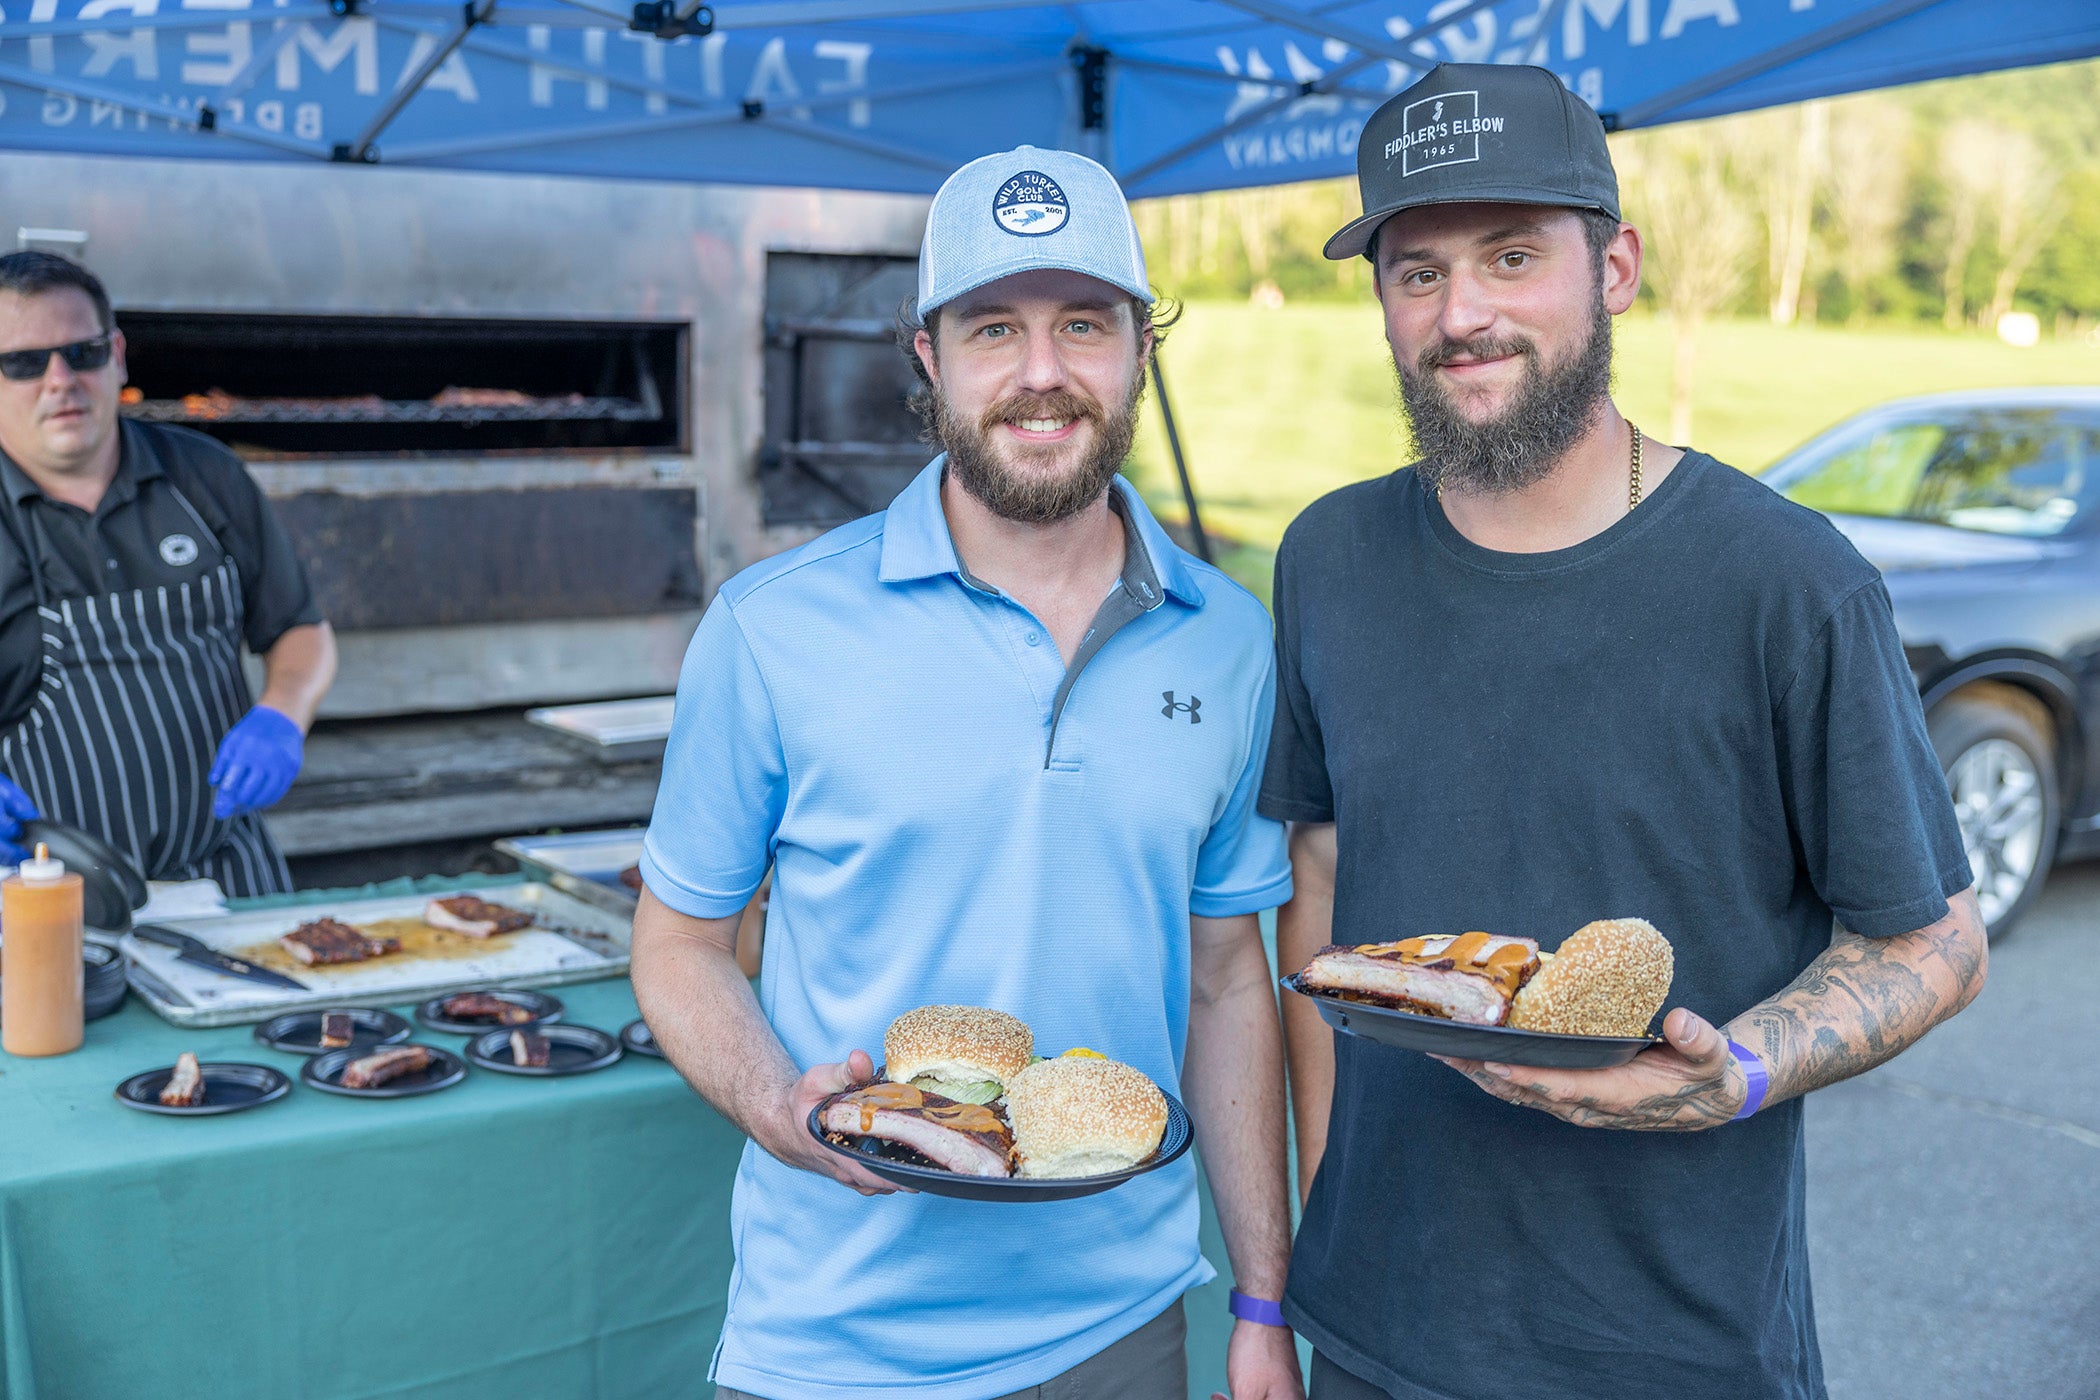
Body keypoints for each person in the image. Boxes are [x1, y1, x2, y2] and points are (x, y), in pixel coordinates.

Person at [1262, 63, 1987, 1400]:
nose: (1462, 313)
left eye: (1513, 255)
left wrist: (1743, 1072)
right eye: (1416, 272)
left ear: (1618, 269)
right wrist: (1321, 1232)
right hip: (1380, 1333)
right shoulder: (1330, 557)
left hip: (1672, 1344)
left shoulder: (1787, 583)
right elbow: (1320, 886)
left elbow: (1937, 938)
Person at [631, 146, 1303, 1400]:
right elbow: (675, 943)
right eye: (994, 327)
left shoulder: (1230, 638)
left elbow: (1226, 980)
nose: (1041, 373)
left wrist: (1261, 1293)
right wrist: (782, 1103)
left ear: (1141, 352)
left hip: (1125, 1321)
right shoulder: (772, 627)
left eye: (1084, 325)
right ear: (929, 356)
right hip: (838, 1344)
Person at [0, 253, 334, 895]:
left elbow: (300, 629)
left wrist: (283, 716)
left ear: (117, 355)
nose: (59, 379)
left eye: (82, 352)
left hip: (224, 876)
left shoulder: (205, 477)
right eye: (22, 363)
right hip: (42, 898)